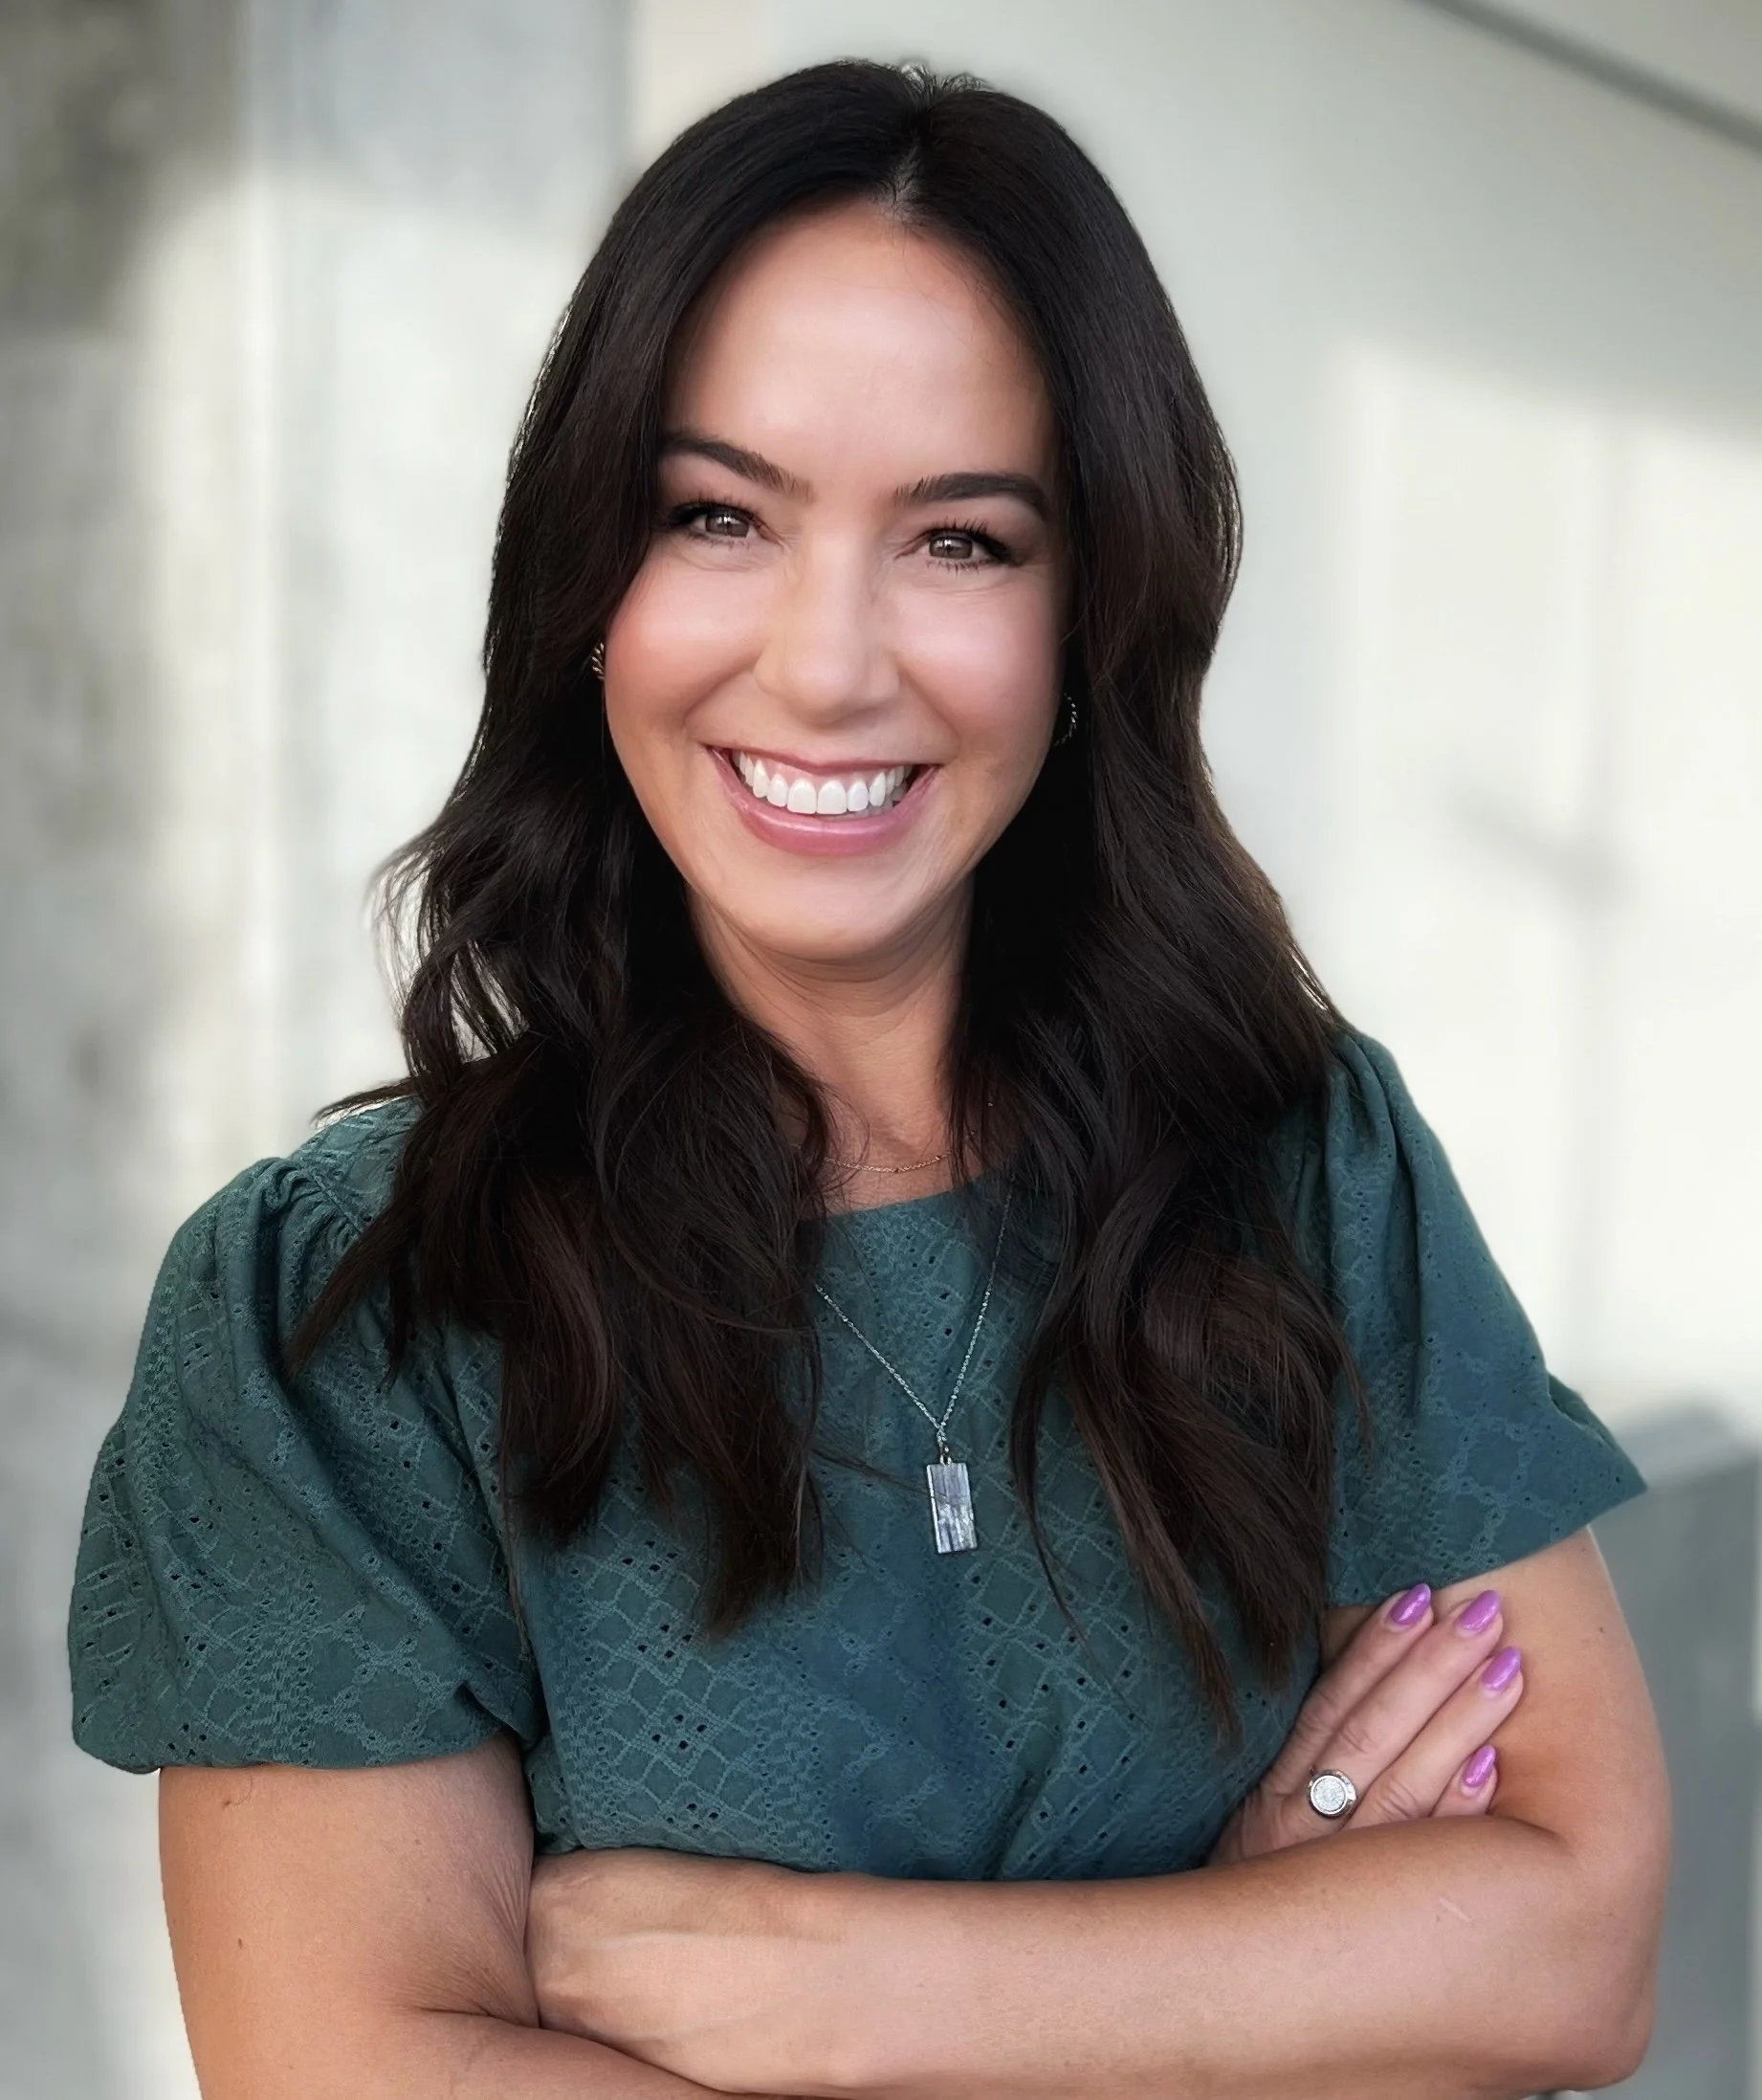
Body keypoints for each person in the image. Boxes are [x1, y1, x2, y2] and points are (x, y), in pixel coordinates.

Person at [68, 58, 1667, 2100]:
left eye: (964, 539)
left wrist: (847, 1992)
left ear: (1093, 611)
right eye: (717, 513)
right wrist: (1252, 1990)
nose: (829, 662)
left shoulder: (1304, 1160)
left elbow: (1574, 1947)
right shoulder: (343, 1324)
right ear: (587, 584)